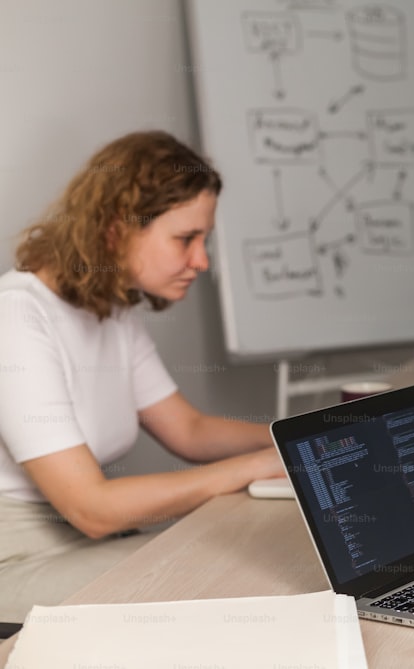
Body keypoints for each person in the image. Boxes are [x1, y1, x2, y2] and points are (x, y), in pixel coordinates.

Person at [0, 131, 285, 621]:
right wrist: (255, 467)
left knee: (252, 555)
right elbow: (93, 509)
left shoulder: (109, 310)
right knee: (230, 581)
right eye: (185, 239)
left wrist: (300, 438)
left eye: (204, 240)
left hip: (87, 545)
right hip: (19, 562)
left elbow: (189, 431)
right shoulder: (17, 318)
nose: (202, 261)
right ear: (116, 230)